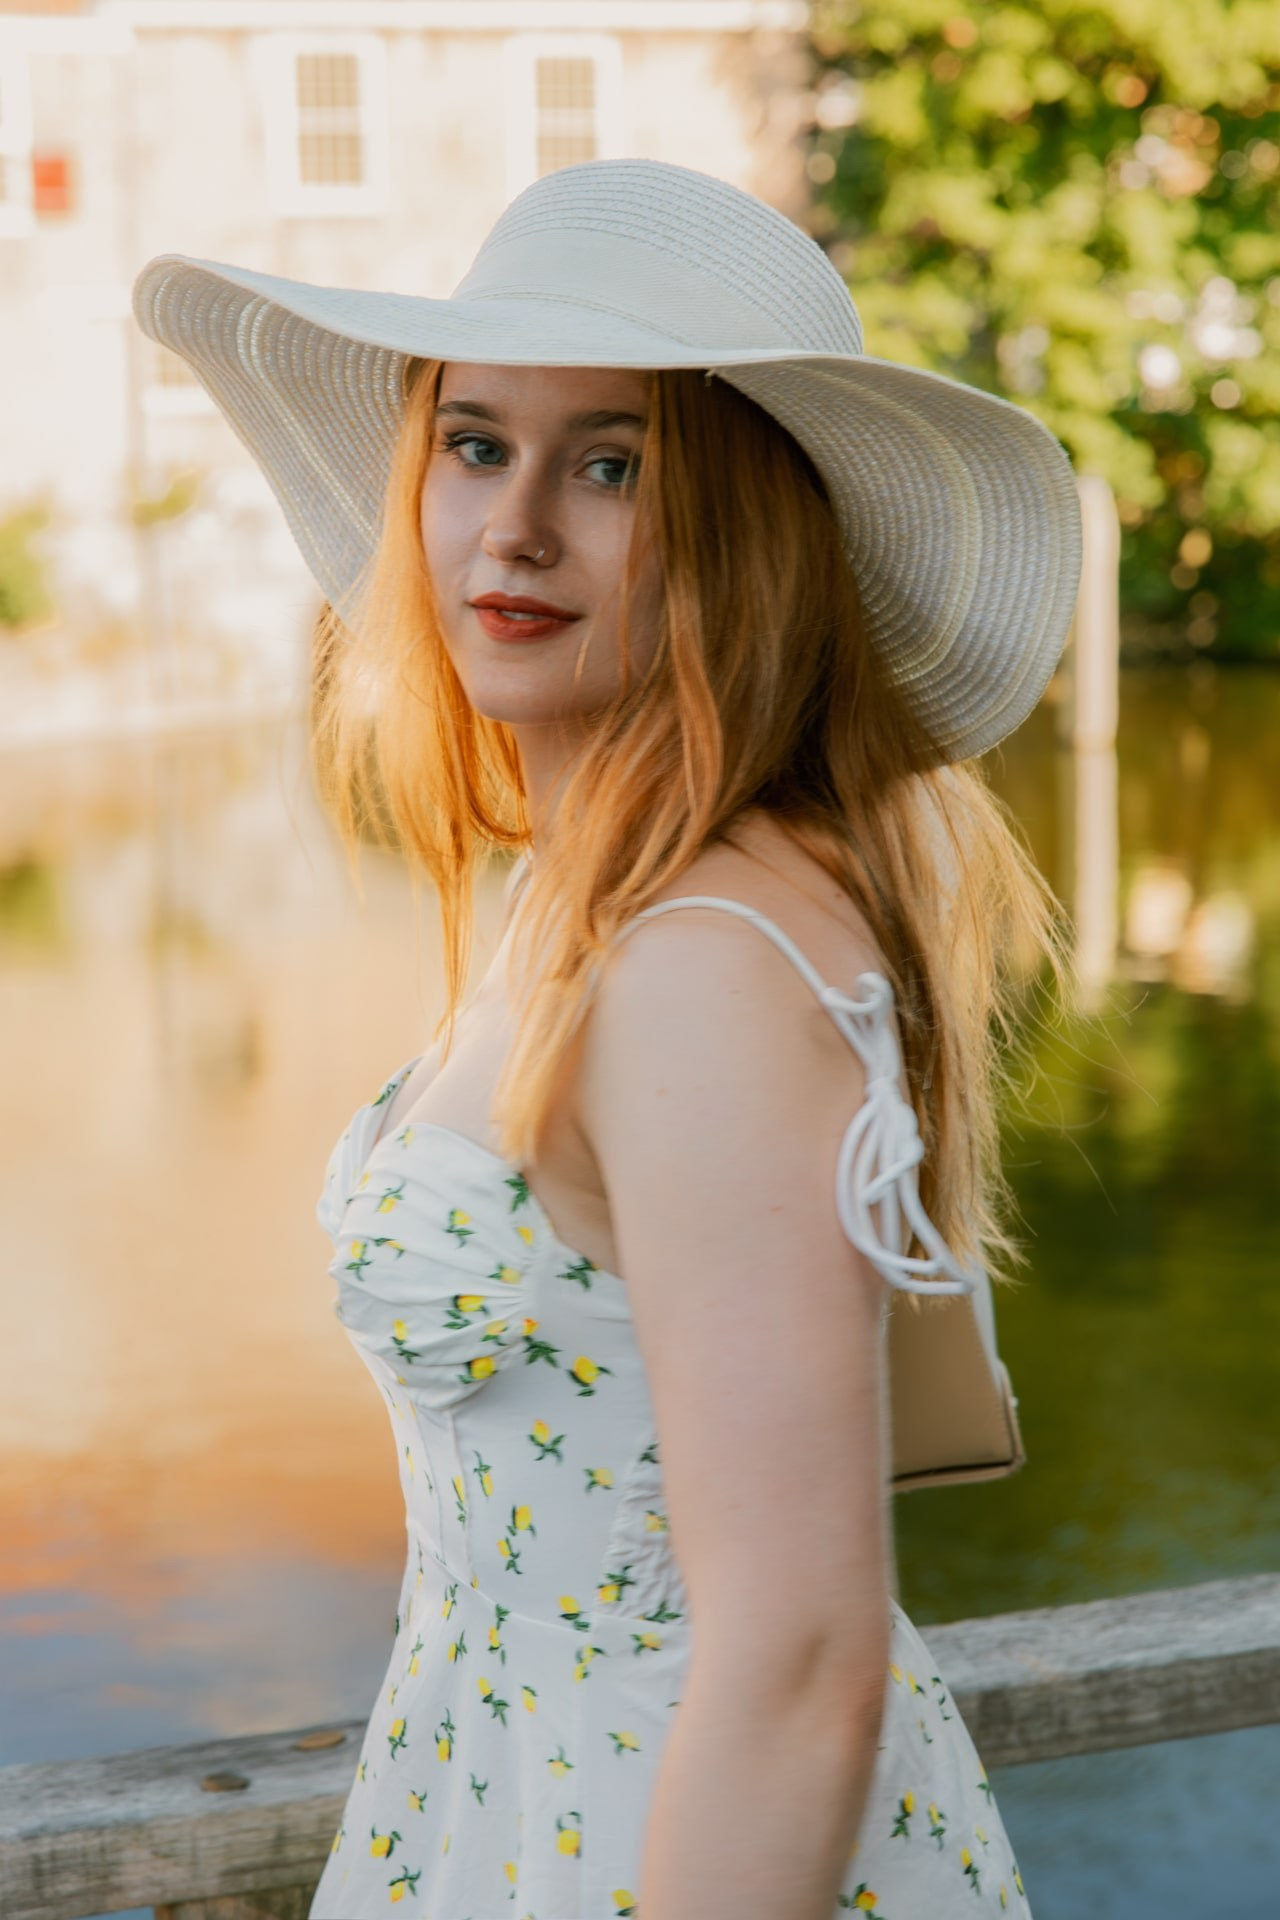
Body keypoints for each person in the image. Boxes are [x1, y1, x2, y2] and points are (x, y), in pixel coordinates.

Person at [134, 158, 1080, 1919]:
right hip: (518, 1791)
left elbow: (798, 1660)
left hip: (655, 1828)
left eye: (612, 465)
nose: (514, 528)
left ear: (746, 534)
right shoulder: (594, 891)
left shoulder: (705, 957)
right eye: (476, 443)